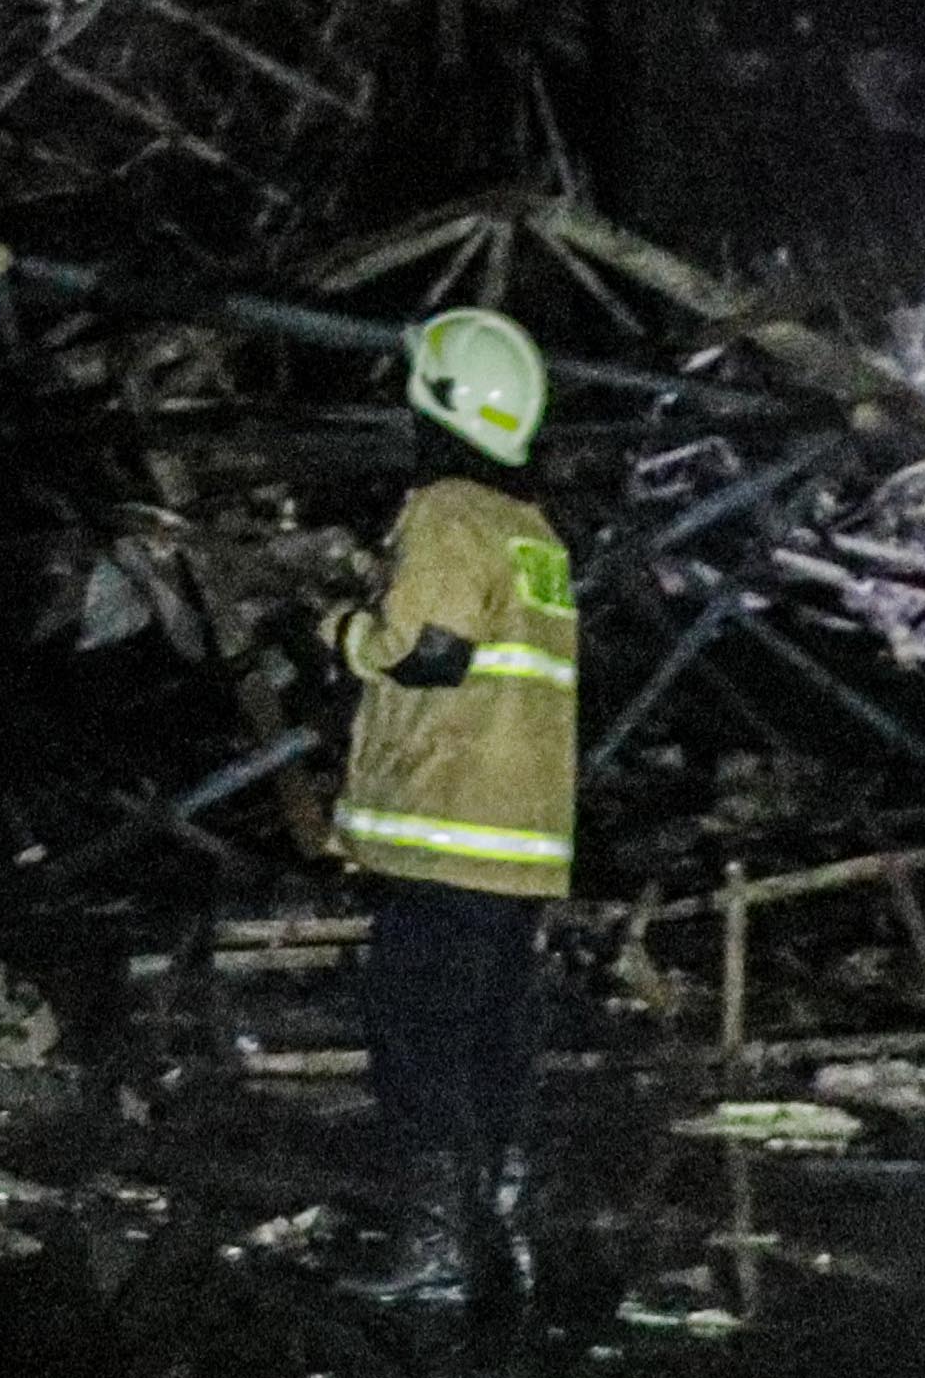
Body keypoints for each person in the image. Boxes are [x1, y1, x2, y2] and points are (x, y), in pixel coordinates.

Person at [328, 305, 579, 1309]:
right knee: (491, 1040)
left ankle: (429, 1246)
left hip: (446, 831)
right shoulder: (533, 531)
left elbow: (428, 653)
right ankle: (503, 1218)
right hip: (518, 843)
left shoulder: (444, 509)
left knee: (415, 1034)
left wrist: (345, 629)